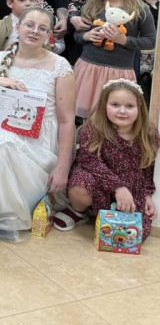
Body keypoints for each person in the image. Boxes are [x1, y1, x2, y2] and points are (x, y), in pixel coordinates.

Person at [0, 3, 76, 241]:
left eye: (42, 28)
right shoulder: (0, 60)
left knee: (5, 143)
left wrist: (63, 167)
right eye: (29, 25)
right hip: (1, 129)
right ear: (18, 27)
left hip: (42, 137)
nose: (34, 31)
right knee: (1, 142)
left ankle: (21, 209)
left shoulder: (60, 66)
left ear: (49, 35)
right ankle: (7, 214)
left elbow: (66, 120)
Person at [53, 78, 157, 236]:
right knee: (81, 185)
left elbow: (148, 165)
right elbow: (90, 161)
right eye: (115, 105)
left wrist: (147, 195)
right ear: (104, 105)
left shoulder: (149, 134)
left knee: (135, 233)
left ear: (140, 108)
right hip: (96, 176)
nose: (122, 111)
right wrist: (118, 187)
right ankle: (78, 210)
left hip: (131, 183)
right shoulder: (92, 129)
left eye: (129, 106)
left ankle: (105, 213)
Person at [73, 0, 155, 119]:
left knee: (111, 119)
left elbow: (150, 41)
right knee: (86, 119)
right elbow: (77, 35)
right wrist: (86, 36)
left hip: (119, 72)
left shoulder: (140, 9)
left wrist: (123, 40)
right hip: (88, 69)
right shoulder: (92, 6)